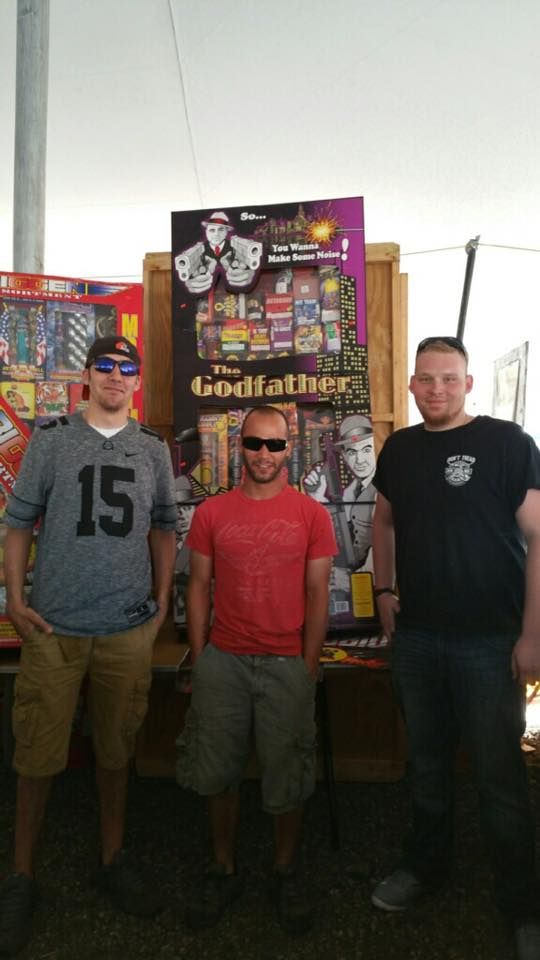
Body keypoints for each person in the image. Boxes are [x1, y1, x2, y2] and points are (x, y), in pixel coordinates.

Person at [0, 335, 177, 957]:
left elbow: (164, 528)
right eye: (105, 365)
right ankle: (21, 876)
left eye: (127, 368)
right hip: (53, 628)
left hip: (126, 628)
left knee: (115, 749)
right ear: (86, 374)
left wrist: (160, 603)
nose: (115, 376)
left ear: (137, 381)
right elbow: (18, 523)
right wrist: (15, 598)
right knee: (35, 756)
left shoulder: (152, 448)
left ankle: (112, 857)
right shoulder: (51, 440)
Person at [371, 335, 540, 960]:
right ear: (412, 385)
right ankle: (425, 868)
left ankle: (522, 904)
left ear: (468, 384)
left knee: (499, 778)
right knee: (427, 765)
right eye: (426, 378)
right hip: (417, 637)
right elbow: (383, 519)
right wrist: (382, 588)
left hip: (490, 641)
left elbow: (538, 539)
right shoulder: (400, 449)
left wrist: (532, 634)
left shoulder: (508, 444)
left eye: (448, 378)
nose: (436, 388)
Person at [176, 404, 337, 935]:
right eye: (254, 443)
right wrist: (201, 655)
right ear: (239, 446)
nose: (264, 454)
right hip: (223, 658)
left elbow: (318, 593)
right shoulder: (212, 513)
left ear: (290, 448)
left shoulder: (312, 516)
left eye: (275, 444)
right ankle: (222, 867)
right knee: (217, 770)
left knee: (287, 771)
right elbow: (198, 586)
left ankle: (284, 870)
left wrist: (308, 664)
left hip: (287, 661)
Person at [304, 413, 376, 570]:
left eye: (366, 449)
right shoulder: (350, 492)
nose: (359, 460)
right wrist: (319, 500)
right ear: (343, 455)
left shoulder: (383, 490)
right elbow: (342, 542)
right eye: (352, 452)